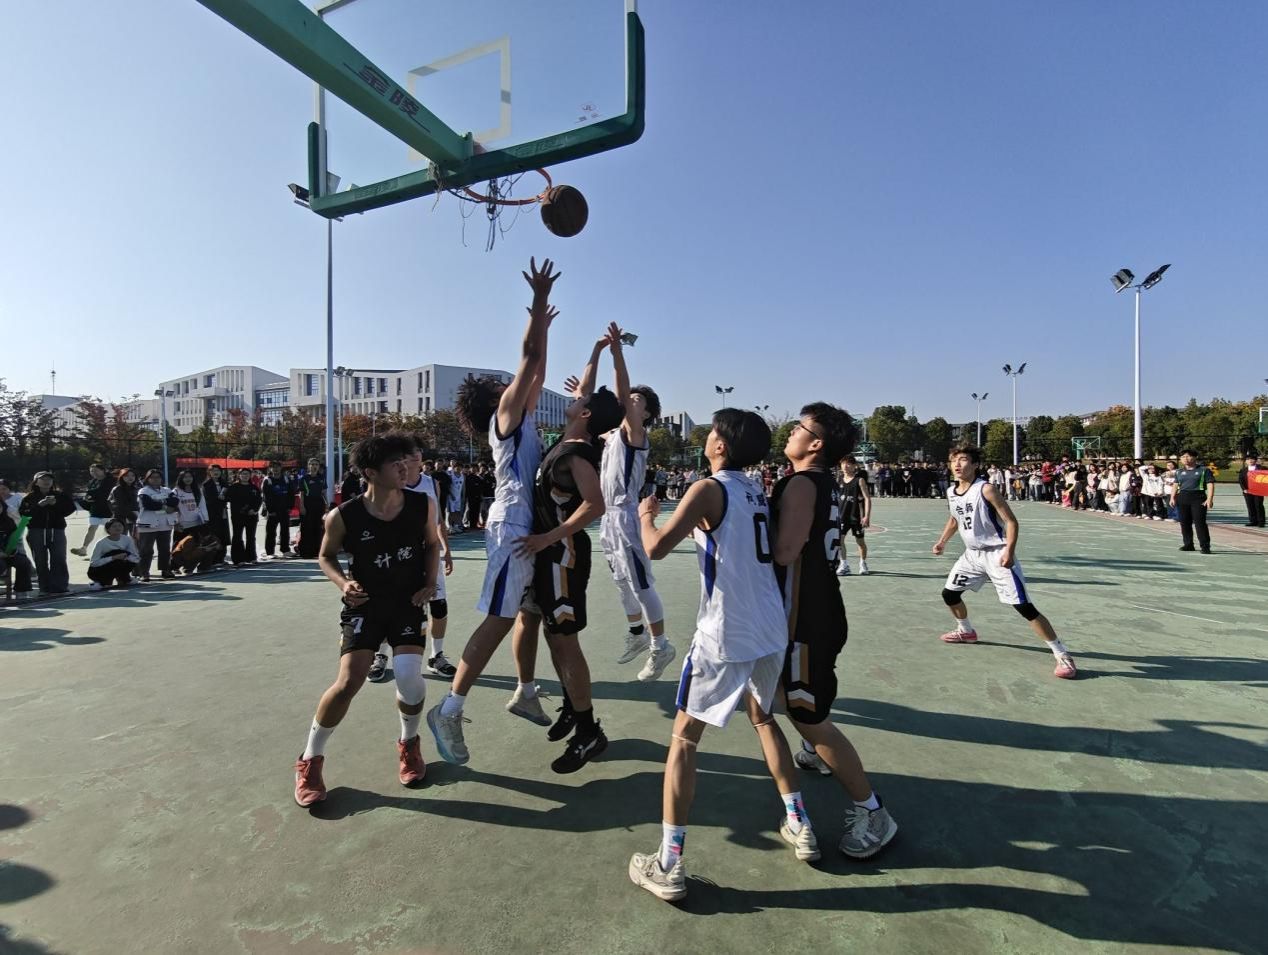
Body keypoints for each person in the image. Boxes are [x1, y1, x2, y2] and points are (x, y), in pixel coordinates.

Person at [628, 409, 810, 902]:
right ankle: (799, 821)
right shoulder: (754, 489)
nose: (706, 438)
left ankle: (668, 863)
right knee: (764, 719)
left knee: (684, 739)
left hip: (725, 632)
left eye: (711, 433)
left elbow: (655, 547)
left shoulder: (708, 489)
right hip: (769, 626)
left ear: (721, 446)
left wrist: (645, 515)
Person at [427, 257, 564, 764]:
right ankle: (449, 708)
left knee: (528, 615)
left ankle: (525, 692)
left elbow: (537, 367)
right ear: (496, 398)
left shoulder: (521, 416)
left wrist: (542, 325)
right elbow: (529, 359)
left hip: (526, 523)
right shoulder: (505, 417)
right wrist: (537, 301)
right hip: (513, 526)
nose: (521, 385)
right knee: (500, 618)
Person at [772, 403, 898, 859]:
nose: (791, 431)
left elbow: (784, 552)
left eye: (799, 427)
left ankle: (874, 811)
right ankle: (812, 750)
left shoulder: (801, 483)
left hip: (804, 618)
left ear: (816, 443)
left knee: (806, 712)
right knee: (785, 699)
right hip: (821, 608)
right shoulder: (823, 482)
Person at [293, 433, 441, 807]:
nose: (406, 467)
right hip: (365, 605)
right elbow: (325, 556)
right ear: (371, 473)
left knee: (408, 677)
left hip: (407, 603)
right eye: (396, 463)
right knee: (348, 682)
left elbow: (432, 544)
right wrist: (344, 583)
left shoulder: (422, 504)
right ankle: (310, 760)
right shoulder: (343, 515)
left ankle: (409, 743)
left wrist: (429, 582)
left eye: (407, 460)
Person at [932, 446, 1077, 680]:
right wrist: (942, 542)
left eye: (963, 460)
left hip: (997, 553)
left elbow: (1011, 521)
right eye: (953, 461)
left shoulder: (986, 489)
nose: (957, 465)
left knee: (1023, 607)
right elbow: (954, 519)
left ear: (975, 464)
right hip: (972, 555)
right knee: (949, 594)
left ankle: (1062, 654)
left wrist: (1009, 550)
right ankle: (966, 631)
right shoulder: (951, 491)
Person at [600, 324, 675, 681]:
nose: (629, 401)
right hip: (607, 518)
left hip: (627, 515)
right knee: (621, 581)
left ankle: (661, 645)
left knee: (641, 584)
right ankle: (638, 634)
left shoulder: (635, 433)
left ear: (645, 414)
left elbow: (620, 393)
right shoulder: (614, 434)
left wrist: (617, 354)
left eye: (636, 400)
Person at [369, 439, 458, 683]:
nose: (415, 455)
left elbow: (438, 521)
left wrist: (446, 550)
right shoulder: (389, 484)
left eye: (418, 450)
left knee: (438, 606)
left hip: (428, 553)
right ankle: (381, 655)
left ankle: (436, 656)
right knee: (390, 606)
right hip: (399, 556)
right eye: (409, 452)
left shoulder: (432, 484)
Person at [19, 472, 76, 594]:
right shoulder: (29, 498)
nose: (46, 481)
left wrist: (55, 504)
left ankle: (60, 586)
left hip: (57, 530)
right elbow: (24, 514)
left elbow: (69, 510)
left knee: (59, 558)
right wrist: (39, 506)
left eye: (49, 479)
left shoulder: (60, 495)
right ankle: (44, 587)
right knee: (40, 560)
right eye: (43, 479)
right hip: (36, 531)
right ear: (36, 482)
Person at [134, 469, 178, 582]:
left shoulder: (167, 490)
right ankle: (144, 572)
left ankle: (165, 570)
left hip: (165, 524)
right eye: (152, 477)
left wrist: (161, 503)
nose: (155, 479)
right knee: (146, 550)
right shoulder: (144, 491)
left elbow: (174, 501)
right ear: (147, 479)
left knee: (164, 549)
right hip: (148, 524)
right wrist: (165, 504)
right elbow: (148, 504)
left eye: (158, 477)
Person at [1172, 449, 1215, 553]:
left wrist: (1209, 499)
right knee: (1184, 522)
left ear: (1195, 457)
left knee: (1200, 523)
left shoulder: (1204, 470)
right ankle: (1188, 544)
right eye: (1183, 457)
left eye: (1188, 456)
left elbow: (1210, 484)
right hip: (1183, 497)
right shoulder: (1179, 471)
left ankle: (1205, 546)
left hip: (1198, 497)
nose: (1185, 459)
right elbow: (1175, 485)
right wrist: (1172, 497)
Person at [835, 454, 871, 576]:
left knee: (860, 542)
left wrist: (866, 516)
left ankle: (863, 563)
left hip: (856, 517)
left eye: (848, 464)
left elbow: (867, 498)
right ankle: (844, 565)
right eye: (843, 464)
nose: (845, 466)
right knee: (839, 540)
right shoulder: (839, 479)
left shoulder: (859, 481)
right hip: (842, 516)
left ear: (854, 466)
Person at [72, 463, 115, 557]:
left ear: (103, 470)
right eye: (91, 471)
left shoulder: (111, 480)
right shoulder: (92, 482)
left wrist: (90, 494)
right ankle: (84, 548)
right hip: (95, 509)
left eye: (96, 470)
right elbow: (90, 494)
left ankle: (113, 549)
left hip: (108, 509)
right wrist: (86, 498)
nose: (93, 473)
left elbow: (102, 492)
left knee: (109, 530)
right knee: (91, 528)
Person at [87, 518, 140, 590]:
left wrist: (127, 557)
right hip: (100, 569)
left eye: (120, 525)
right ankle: (103, 581)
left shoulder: (127, 539)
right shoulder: (101, 543)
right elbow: (94, 563)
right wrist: (113, 557)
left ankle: (124, 578)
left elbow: (135, 557)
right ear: (108, 529)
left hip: (119, 563)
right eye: (114, 526)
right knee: (116, 553)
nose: (117, 528)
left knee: (127, 558)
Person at [0, 493, 36, 600]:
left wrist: (12, 551)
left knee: (24, 562)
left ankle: (21, 591)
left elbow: (14, 538)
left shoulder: (8, 521)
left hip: (7, 553)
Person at [225, 467, 261, 565]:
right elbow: (230, 499)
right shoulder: (234, 487)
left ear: (250, 475)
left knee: (251, 537)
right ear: (239, 475)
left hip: (252, 516)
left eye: (247, 474)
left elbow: (258, 500)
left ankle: (251, 557)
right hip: (238, 515)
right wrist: (244, 510)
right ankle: (238, 559)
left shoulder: (254, 488)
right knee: (237, 536)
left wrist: (254, 510)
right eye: (243, 474)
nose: (245, 476)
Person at [260, 462, 295, 559]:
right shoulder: (267, 480)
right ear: (270, 469)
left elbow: (291, 494)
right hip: (273, 511)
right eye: (273, 467)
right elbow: (266, 497)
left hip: (284, 509)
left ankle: (285, 550)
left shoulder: (286, 479)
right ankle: (270, 552)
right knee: (271, 532)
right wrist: (270, 510)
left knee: (285, 530)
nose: (275, 469)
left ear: (281, 468)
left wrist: (290, 507)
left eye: (277, 467)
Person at [296, 458, 329, 558]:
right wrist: (302, 506)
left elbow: (324, 493)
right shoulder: (304, 478)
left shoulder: (322, 478)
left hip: (319, 504)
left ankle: (316, 551)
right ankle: (305, 552)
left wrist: (327, 504)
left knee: (318, 527)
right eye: (312, 464)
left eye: (316, 464)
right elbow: (301, 494)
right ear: (308, 466)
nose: (314, 466)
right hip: (308, 504)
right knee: (306, 528)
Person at [172, 469, 209, 552]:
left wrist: (205, 519)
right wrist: (175, 523)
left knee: (195, 549)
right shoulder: (176, 491)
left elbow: (202, 506)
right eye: (185, 477)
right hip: (182, 525)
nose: (188, 479)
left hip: (196, 523)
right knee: (178, 549)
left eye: (190, 476)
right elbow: (173, 509)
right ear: (181, 478)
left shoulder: (198, 491)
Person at [203, 465, 230, 560]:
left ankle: (221, 557)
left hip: (223, 511)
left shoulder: (224, 483)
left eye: (218, 470)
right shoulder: (206, 484)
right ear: (209, 472)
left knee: (224, 533)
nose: (216, 472)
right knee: (214, 534)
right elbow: (208, 499)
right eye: (213, 470)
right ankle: (213, 558)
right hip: (212, 513)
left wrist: (224, 498)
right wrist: (219, 499)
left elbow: (229, 496)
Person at [109, 468, 140, 536]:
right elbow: (118, 505)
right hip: (121, 518)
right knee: (121, 538)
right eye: (127, 476)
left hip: (135, 517)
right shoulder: (117, 489)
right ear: (121, 477)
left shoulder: (136, 489)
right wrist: (134, 517)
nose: (130, 477)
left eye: (132, 475)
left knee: (136, 539)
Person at [1238, 453, 1265, 528]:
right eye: (1248, 459)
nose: (1250, 460)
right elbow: (1241, 480)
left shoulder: (1261, 468)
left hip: (1258, 491)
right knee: (1250, 506)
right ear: (1246, 461)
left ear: (1255, 460)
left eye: (1252, 459)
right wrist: (1244, 489)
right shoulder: (1243, 470)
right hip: (1247, 491)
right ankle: (1253, 521)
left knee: (1258, 505)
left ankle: (1261, 521)